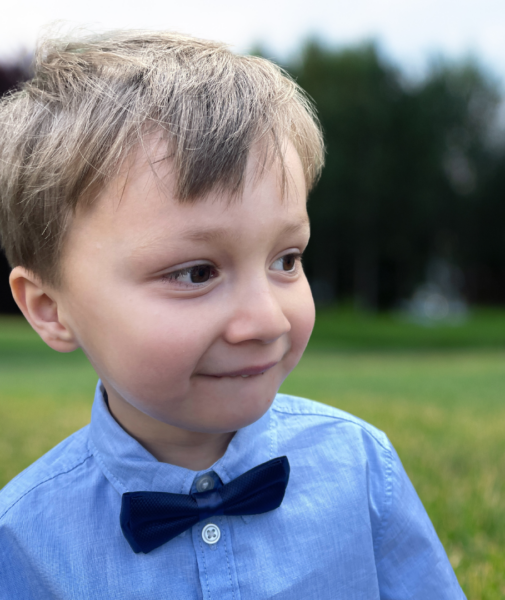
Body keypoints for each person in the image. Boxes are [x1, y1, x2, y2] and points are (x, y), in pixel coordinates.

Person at [0, 31, 465, 599]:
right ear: (50, 310)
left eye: (286, 260)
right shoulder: (22, 537)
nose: (267, 321)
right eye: (197, 273)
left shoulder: (363, 468)